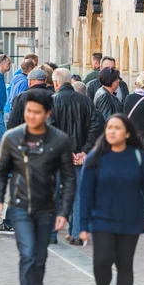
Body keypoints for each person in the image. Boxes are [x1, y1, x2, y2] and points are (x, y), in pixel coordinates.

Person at [0, 89, 76, 285]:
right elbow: (1, 171)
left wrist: (64, 212)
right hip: (20, 206)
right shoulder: (12, 137)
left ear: (47, 113)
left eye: (36, 112)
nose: (31, 116)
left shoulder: (59, 140)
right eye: (28, 111)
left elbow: (69, 178)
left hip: (47, 208)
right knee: (27, 255)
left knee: (40, 258)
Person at [78, 114, 144, 285]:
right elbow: (85, 193)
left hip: (130, 220)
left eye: (117, 128)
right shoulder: (95, 157)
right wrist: (82, 225)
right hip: (101, 219)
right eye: (109, 128)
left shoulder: (139, 157)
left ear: (127, 133)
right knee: (102, 261)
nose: (112, 131)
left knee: (125, 265)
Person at [50, 68, 101, 245]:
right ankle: (77, 233)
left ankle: (51, 233)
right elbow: (96, 126)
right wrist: (84, 151)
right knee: (78, 194)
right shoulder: (86, 101)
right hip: (79, 157)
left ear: (56, 83)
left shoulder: (52, 101)